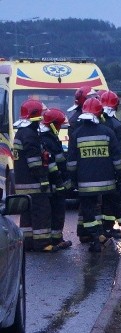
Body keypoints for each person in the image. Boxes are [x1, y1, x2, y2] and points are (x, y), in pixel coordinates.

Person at [67, 96, 121, 252]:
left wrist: (73, 180)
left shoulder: (76, 134)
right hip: (107, 183)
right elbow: (117, 159)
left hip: (85, 185)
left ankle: (95, 239)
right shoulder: (108, 132)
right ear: (100, 114)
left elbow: (72, 162)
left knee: (89, 213)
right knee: (109, 207)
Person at [13, 99, 58, 252]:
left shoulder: (20, 132)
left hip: (22, 183)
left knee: (26, 215)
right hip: (34, 183)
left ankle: (28, 243)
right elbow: (33, 162)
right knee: (42, 212)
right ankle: (43, 244)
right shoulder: (30, 135)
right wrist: (43, 179)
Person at [96, 90, 121, 241]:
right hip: (115, 172)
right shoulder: (117, 126)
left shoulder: (96, 124)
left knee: (104, 201)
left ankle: (107, 228)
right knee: (117, 202)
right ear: (116, 107)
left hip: (100, 171)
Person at [39, 108, 73, 249]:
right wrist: (60, 183)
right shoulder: (49, 140)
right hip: (54, 183)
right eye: (59, 124)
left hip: (53, 182)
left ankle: (55, 239)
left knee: (54, 212)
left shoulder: (49, 138)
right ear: (52, 124)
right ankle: (57, 240)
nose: (60, 127)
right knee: (58, 212)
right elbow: (54, 164)